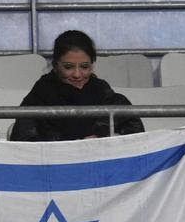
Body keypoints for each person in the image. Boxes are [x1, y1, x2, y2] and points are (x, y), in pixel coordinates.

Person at [9, 30, 144, 141]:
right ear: (56, 65)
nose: (77, 75)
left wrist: (102, 137)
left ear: (92, 65)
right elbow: (23, 143)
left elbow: (137, 137)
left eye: (85, 67)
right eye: (68, 67)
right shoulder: (38, 98)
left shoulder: (104, 93)